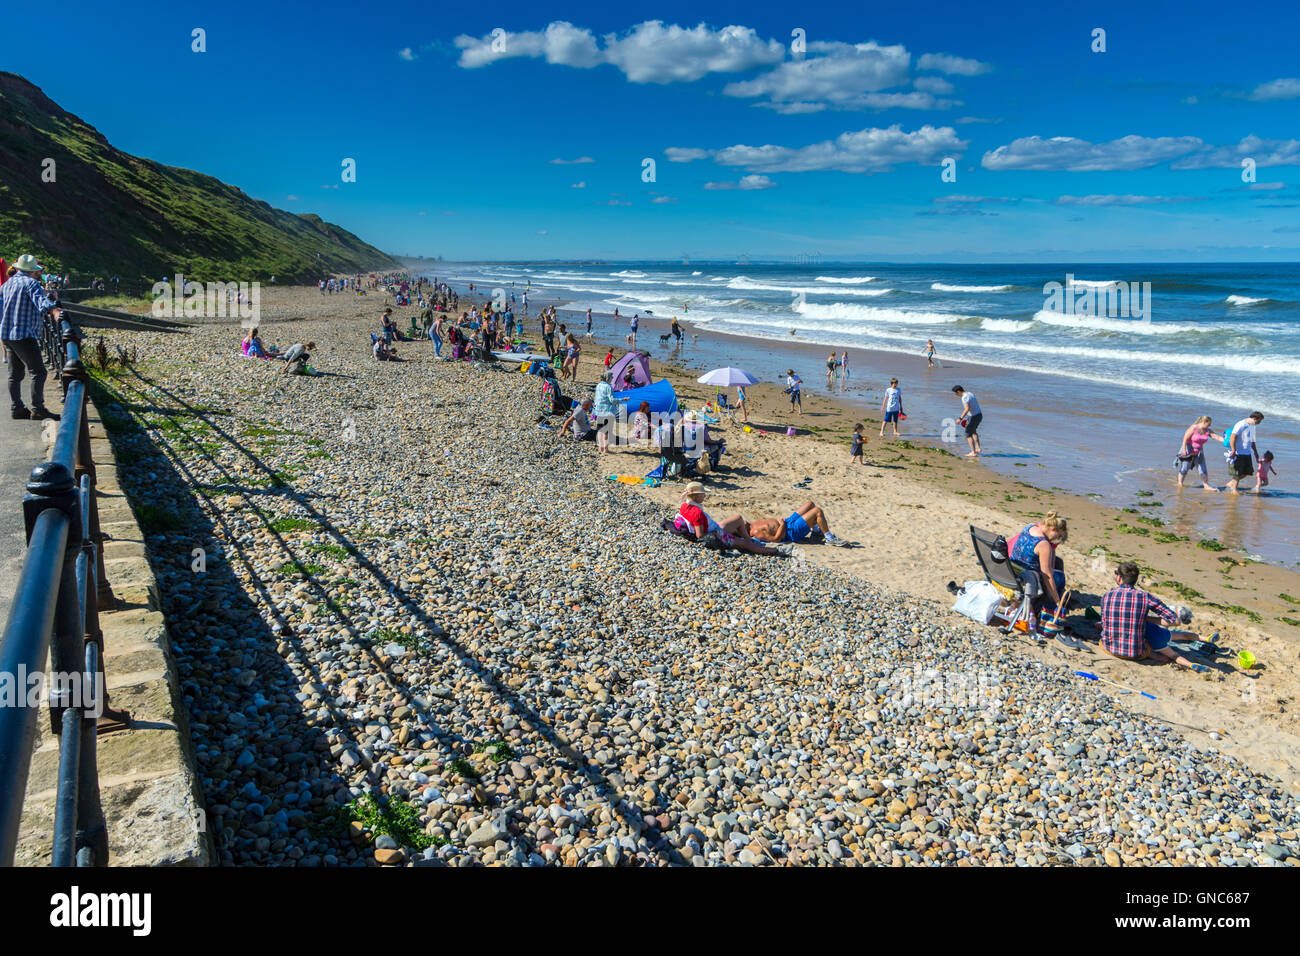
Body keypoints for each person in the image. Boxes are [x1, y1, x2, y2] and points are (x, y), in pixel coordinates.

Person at [1100, 562, 1201, 668]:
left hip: (1110, 648)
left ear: (1119, 578)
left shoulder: (1107, 596)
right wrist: (1148, 619)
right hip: (1137, 654)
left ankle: (1152, 654)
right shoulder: (1145, 597)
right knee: (1148, 635)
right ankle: (1152, 654)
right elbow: (1174, 621)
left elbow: (1104, 623)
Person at [1, 254, 61, 420]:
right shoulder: (31, 283)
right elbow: (40, 300)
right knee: (39, 372)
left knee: (15, 374)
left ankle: (17, 408)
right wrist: (54, 310)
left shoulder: (8, 283)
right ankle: (38, 409)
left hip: (7, 334)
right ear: (31, 271)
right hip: (24, 334)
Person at [674, 482, 791, 556]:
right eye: (702, 494)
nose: (704, 496)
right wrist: (714, 533)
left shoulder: (685, 506)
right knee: (744, 544)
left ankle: (750, 539)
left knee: (738, 518)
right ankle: (776, 551)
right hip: (715, 534)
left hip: (714, 527)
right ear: (695, 496)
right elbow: (700, 535)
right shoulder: (697, 513)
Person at [1008, 512, 1068, 613]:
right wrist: (1057, 601)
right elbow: (1047, 576)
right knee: (1058, 577)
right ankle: (1050, 609)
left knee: (1056, 565)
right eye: (1058, 536)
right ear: (1053, 528)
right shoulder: (1043, 544)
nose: (1056, 540)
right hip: (1026, 579)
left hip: (1012, 569)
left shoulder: (1030, 527)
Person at [747, 501, 845, 546]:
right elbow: (776, 539)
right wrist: (782, 525)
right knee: (817, 511)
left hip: (788, 522)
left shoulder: (752, 524)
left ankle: (816, 533)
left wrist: (783, 523)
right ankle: (829, 538)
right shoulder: (755, 532)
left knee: (810, 504)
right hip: (791, 532)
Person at [1176, 415, 1219, 491]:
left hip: (1199, 451)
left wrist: (1227, 441)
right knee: (1185, 468)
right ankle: (1180, 483)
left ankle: (1206, 485)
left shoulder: (1207, 430)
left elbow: (1217, 437)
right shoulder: (1194, 428)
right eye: (1209, 424)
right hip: (1189, 450)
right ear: (1204, 422)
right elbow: (1185, 438)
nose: (1209, 426)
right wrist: (1184, 450)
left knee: (1203, 469)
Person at [1225, 412, 1264, 494]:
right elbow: (1232, 437)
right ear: (1254, 419)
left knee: (1248, 472)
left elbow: (1252, 441)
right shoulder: (1241, 424)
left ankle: (1231, 483)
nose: (1259, 423)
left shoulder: (1252, 426)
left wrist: (1256, 454)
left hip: (1247, 453)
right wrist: (1233, 450)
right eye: (1259, 421)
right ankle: (1234, 490)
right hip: (1238, 452)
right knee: (1237, 472)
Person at [952, 385, 982, 457]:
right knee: (973, 431)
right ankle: (978, 448)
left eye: (955, 393)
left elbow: (967, 409)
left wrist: (960, 418)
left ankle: (973, 452)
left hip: (973, 417)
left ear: (958, 391)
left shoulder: (964, 397)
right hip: (979, 415)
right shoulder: (970, 393)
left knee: (968, 434)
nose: (956, 395)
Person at [592, 372, 616, 453]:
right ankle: (605, 449)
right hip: (607, 411)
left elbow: (596, 398)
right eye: (611, 377)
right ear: (608, 378)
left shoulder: (599, 385)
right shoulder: (609, 387)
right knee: (606, 431)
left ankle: (600, 448)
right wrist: (622, 400)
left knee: (599, 430)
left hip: (598, 411)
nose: (612, 378)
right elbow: (612, 400)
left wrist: (594, 411)